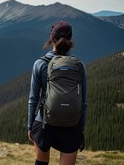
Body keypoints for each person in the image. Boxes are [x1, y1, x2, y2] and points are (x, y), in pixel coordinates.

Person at [27, 21, 87, 165]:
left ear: (51, 38)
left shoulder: (40, 64)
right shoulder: (79, 65)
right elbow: (84, 103)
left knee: (41, 163)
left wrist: (30, 127)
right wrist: (80, 130)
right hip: (71, 126)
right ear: (70, 39)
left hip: (44, 124)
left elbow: (33, 99)